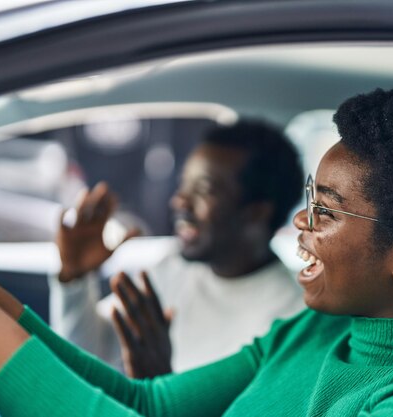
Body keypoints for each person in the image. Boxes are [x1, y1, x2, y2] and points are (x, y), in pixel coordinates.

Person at [0, 89, 393, 416]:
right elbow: (146, 404)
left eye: (326, 209)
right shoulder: (318, 332)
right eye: (309, 198)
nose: (300, 220)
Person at [49, 119, 306, 376]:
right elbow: (83, 361)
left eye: (204, 189)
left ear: (256, 213)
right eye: (184, 183)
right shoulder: (173, 269)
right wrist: (76, 279)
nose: (179, 200)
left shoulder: (292, 317)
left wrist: (160, 386)